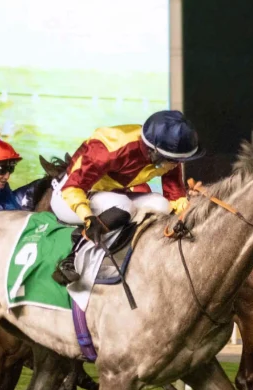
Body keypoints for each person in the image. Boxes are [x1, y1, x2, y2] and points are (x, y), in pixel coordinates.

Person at [51, 110, 203, 285]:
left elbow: (174, 192)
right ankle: (72, 259)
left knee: (161, 205)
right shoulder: (110, 146)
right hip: (68, 196)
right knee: (123, 206)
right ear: (154, 152)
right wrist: (88, 217)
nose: (177, 165)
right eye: (173, 160)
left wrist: (187, 214)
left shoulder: (166, 154)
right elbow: (73, 187)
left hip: (109, 195)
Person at [0, 139, 33, 214]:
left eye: (10, 169)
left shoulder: (1, 188)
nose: (7, 176)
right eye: (2, 169)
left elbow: (12, 213)